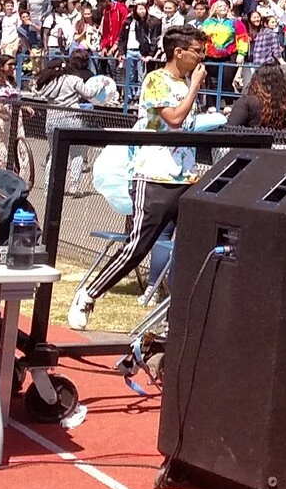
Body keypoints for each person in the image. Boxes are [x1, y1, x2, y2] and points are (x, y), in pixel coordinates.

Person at [66, 24, 208, 330]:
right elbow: (173, 119)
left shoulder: (185, 81)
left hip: (185, 177)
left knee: (197, 244)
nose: (202, 57)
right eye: (198, 51)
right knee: (137, 246)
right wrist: (195, 85)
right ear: (179, 52)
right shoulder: (156, 80)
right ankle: (88, 295)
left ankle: (176, 312)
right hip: (154, 175)